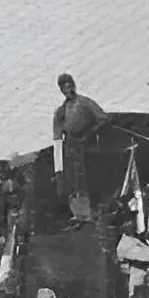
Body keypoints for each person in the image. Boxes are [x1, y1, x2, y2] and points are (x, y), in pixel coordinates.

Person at [52, 74, 109, 222]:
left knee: (89, 179)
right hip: (70, 150)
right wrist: (58, 169)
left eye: (69, 86)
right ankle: (79, 214)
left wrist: (89, 133)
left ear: (73, 85)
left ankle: (94, 213)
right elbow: (57, 138)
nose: (67, 90)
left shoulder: (85, 103)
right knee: (74, 181)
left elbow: (103, 119)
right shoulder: (60, 111)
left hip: (88, 147)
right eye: (63, 88)